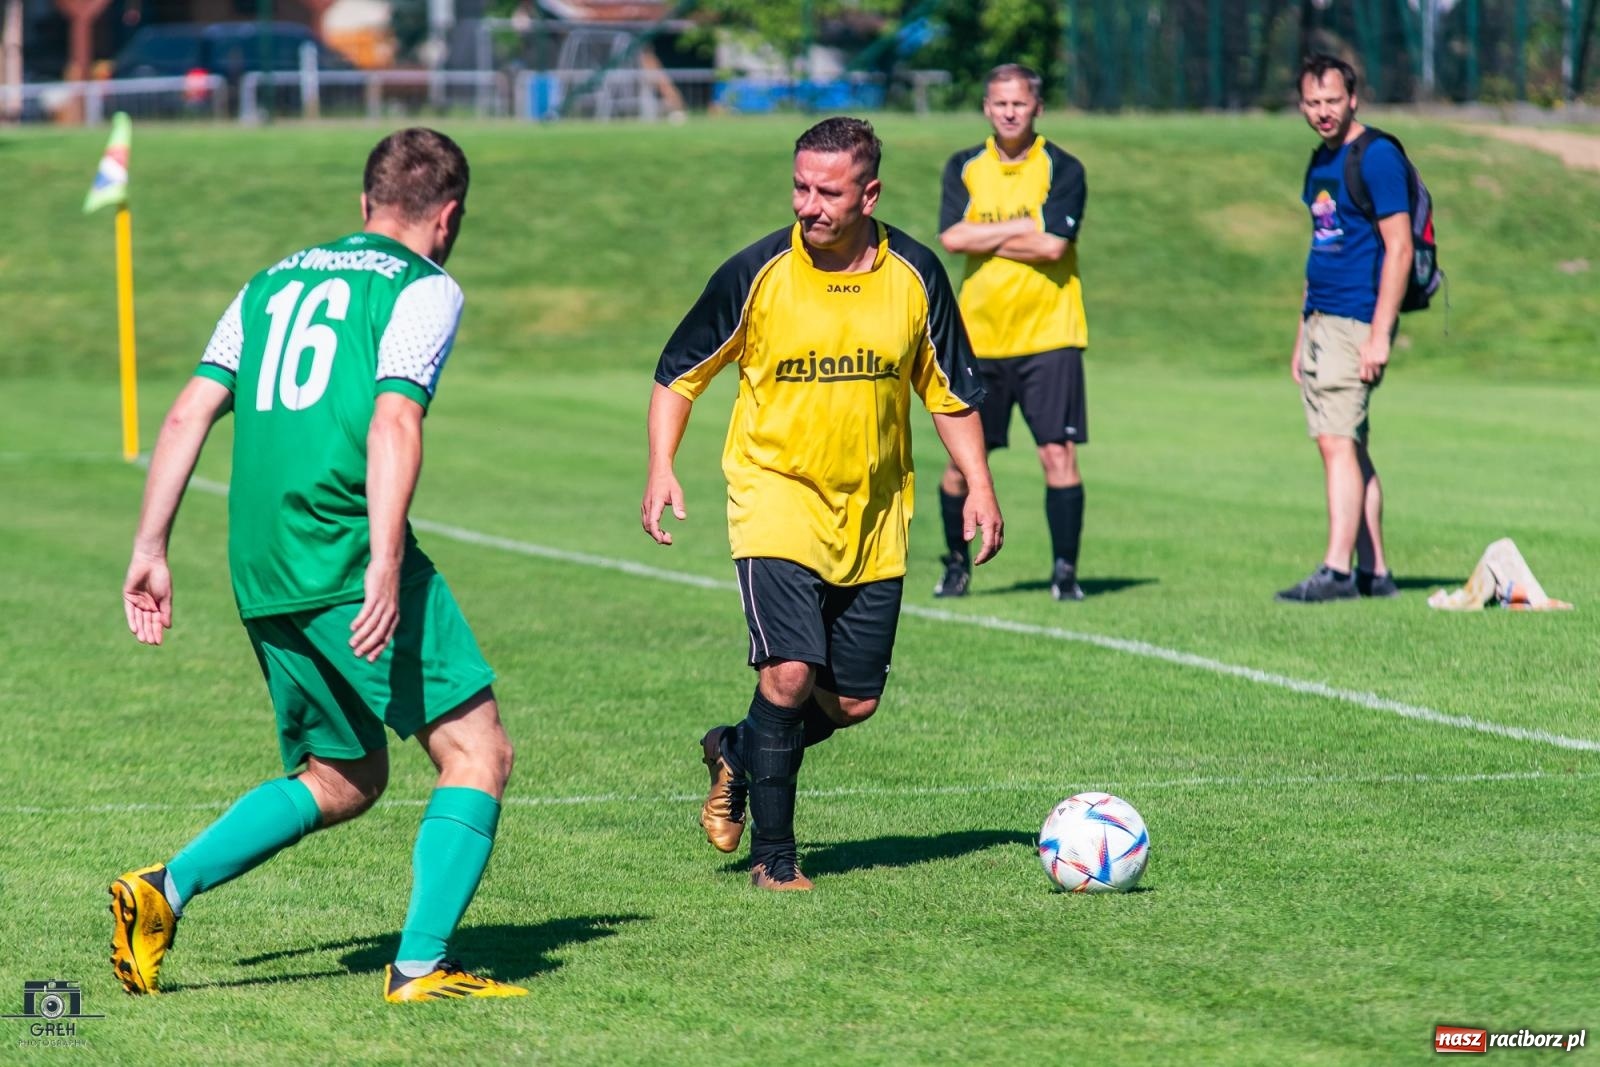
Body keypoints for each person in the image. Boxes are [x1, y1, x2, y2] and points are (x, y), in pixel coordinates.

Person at [111, 128, 525, 1003]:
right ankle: (420, 965)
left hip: (259, 560)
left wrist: (150, 549)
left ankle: (163, 889)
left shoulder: (269, 282)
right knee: (477, 750)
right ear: (447, 217)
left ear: (364, 204)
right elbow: (392, 422)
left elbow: (189, 413)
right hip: (342, 546)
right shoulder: (425, 286)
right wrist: (383, 559)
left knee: (343, 774)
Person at [640, 117, 1003, 891]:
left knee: (855, 700)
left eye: (828, 191)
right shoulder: (758, 271)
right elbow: (679, 372)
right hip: (775, 495)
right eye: (800, 187)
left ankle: (737, 750)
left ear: (869, 193)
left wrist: (979, 482)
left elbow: (949, 392)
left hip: (874, 510)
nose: (808, 205)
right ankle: (775, 861)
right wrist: (661, 465)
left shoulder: (915, 273)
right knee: (789, 673)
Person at [934, 63, 1090, 601]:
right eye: (999, 103)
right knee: (962, 462)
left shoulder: (1063, 167)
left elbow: (1054, 247)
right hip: (979, 337)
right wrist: (1024, 226)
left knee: (1057, 455)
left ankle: (1065, 573)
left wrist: (985, 235)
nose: (1009, 112)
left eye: (1019, 103)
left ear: (1037, 108)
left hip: (1051, 335)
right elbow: (952, 238)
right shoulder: (964, 166)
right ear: (985, 107)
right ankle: (956, 564)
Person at [1279, 54, 1409, 602]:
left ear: (1353, 98)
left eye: (1332, 101)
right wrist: (1300, 332)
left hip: (1355, 319)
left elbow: (1399, 248)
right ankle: (1374, 572)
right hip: (1321, 321)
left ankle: (1336, 571)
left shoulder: (1375, 157)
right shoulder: (1322, 159)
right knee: (1348, 445)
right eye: (1313, 103)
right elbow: (1321, 247)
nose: (1323, 112)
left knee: (1335, 442)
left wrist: (1380, 333)